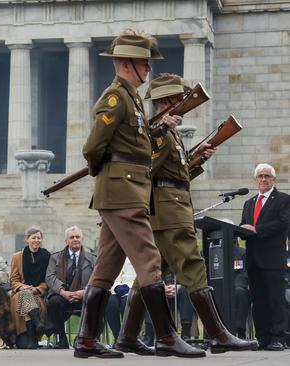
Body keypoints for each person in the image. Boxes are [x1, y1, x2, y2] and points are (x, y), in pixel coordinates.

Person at [77, 29, 201, 358]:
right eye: (144, 65)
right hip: (123, 192)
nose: (149, 71)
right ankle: (166, 337)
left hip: (126, 189)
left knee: (106, 265)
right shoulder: (115, 97)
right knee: (149, 261)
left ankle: (86, 340)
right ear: (127, 63)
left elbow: (136, 142)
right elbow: (93, 147)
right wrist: (106, 173)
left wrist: (157, 129)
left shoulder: (130, 97)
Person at [115, 74, 256, 355]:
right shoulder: (156, 133)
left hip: (172, 208)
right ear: (166, 102)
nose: (184, 104)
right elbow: (146, 171)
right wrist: (156, 133)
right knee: (193, 267)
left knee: (150, 274)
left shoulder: (170, 134)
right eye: (179, 99)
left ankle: (128, 336)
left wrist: (198, 157)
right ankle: (218, 335)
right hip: (168, 213)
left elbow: (176, 175)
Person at [239, 163, 290, 351]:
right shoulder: (249, 203)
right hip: (253, 259)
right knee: (258, 301)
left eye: (267, 176)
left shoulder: (284, 199)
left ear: (273, 179)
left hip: (273, 258)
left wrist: (256, 229)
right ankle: (263, 337)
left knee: (275, 300)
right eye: (260, 176)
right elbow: (244, 225)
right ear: (255, 180)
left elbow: (283, 223)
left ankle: (278, 338)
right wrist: (237, 230)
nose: (263, 179)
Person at [46, 226, 96, 349]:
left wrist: (84, 292)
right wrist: (63, 292)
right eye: (72, 237)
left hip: (84, 295)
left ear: (82, 239)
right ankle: (61, 339)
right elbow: (50, 277)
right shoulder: (55, 258)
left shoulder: (93, 258)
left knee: (95, 301)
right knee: (53, 302)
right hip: (62, 296)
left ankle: (82, 339)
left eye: (77, 237)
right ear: (66, 241)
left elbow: (96, 280)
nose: (75, 239)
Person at [9, 227, 50, 349]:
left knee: (27, 295)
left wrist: (36, 289)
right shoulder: (17, 257)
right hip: (20, 293)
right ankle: (37, 323)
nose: (36, 240)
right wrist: (23, 287)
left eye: (39, 238)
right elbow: (14, 280)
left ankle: (33, 335)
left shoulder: (46, 256)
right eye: (33, 238)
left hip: (37, 294)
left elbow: (48, 280)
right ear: (27, 239)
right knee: (24, 294)